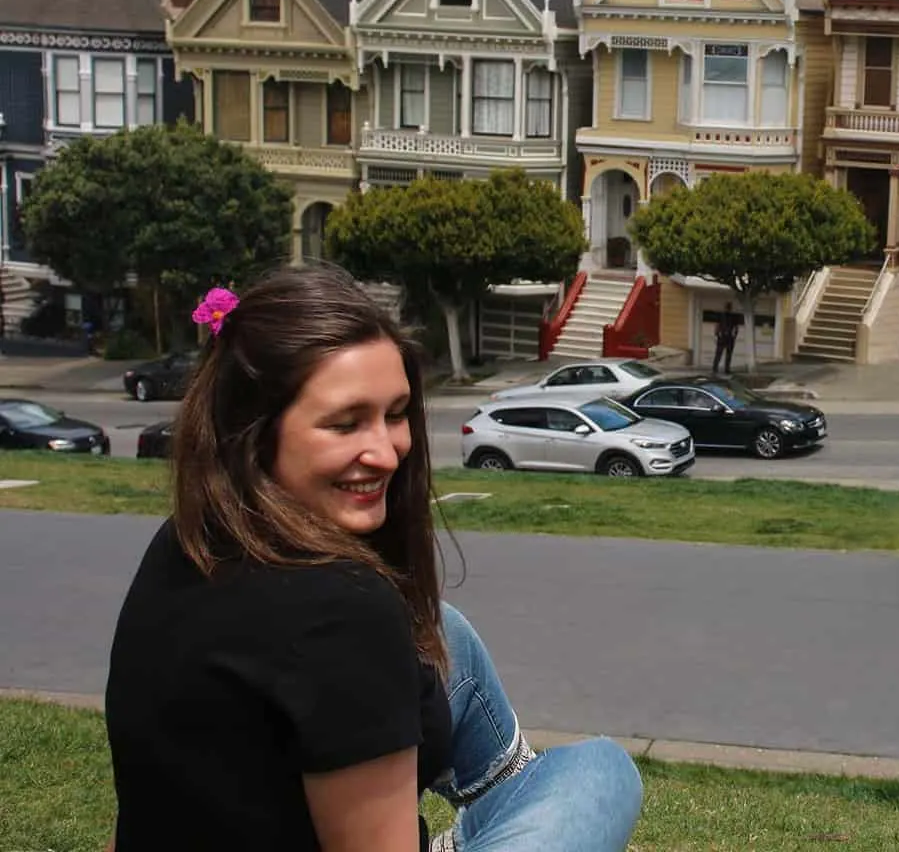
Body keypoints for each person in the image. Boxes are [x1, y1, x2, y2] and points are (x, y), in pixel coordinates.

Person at [102, 264, 643, 852]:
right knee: (598, 772)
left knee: (441, 630)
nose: (387, 452)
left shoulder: (192, 536)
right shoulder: (340, 611)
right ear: (252, 431)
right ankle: (490, 825)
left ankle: (506, 787)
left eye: (396, 413)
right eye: (345, 423)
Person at [711, 302, 739, 375]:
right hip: (726, 337)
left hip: (725, 337)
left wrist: (717, 334)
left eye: (727, 307)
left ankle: (718, 369)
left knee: (721, 354)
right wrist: (717, 334)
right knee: (724, 354)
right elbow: (736, 328)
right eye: (728, 307)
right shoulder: (728, 316)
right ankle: (721, 369)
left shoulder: (724, 316)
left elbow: (736, 328)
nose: (727, 309)